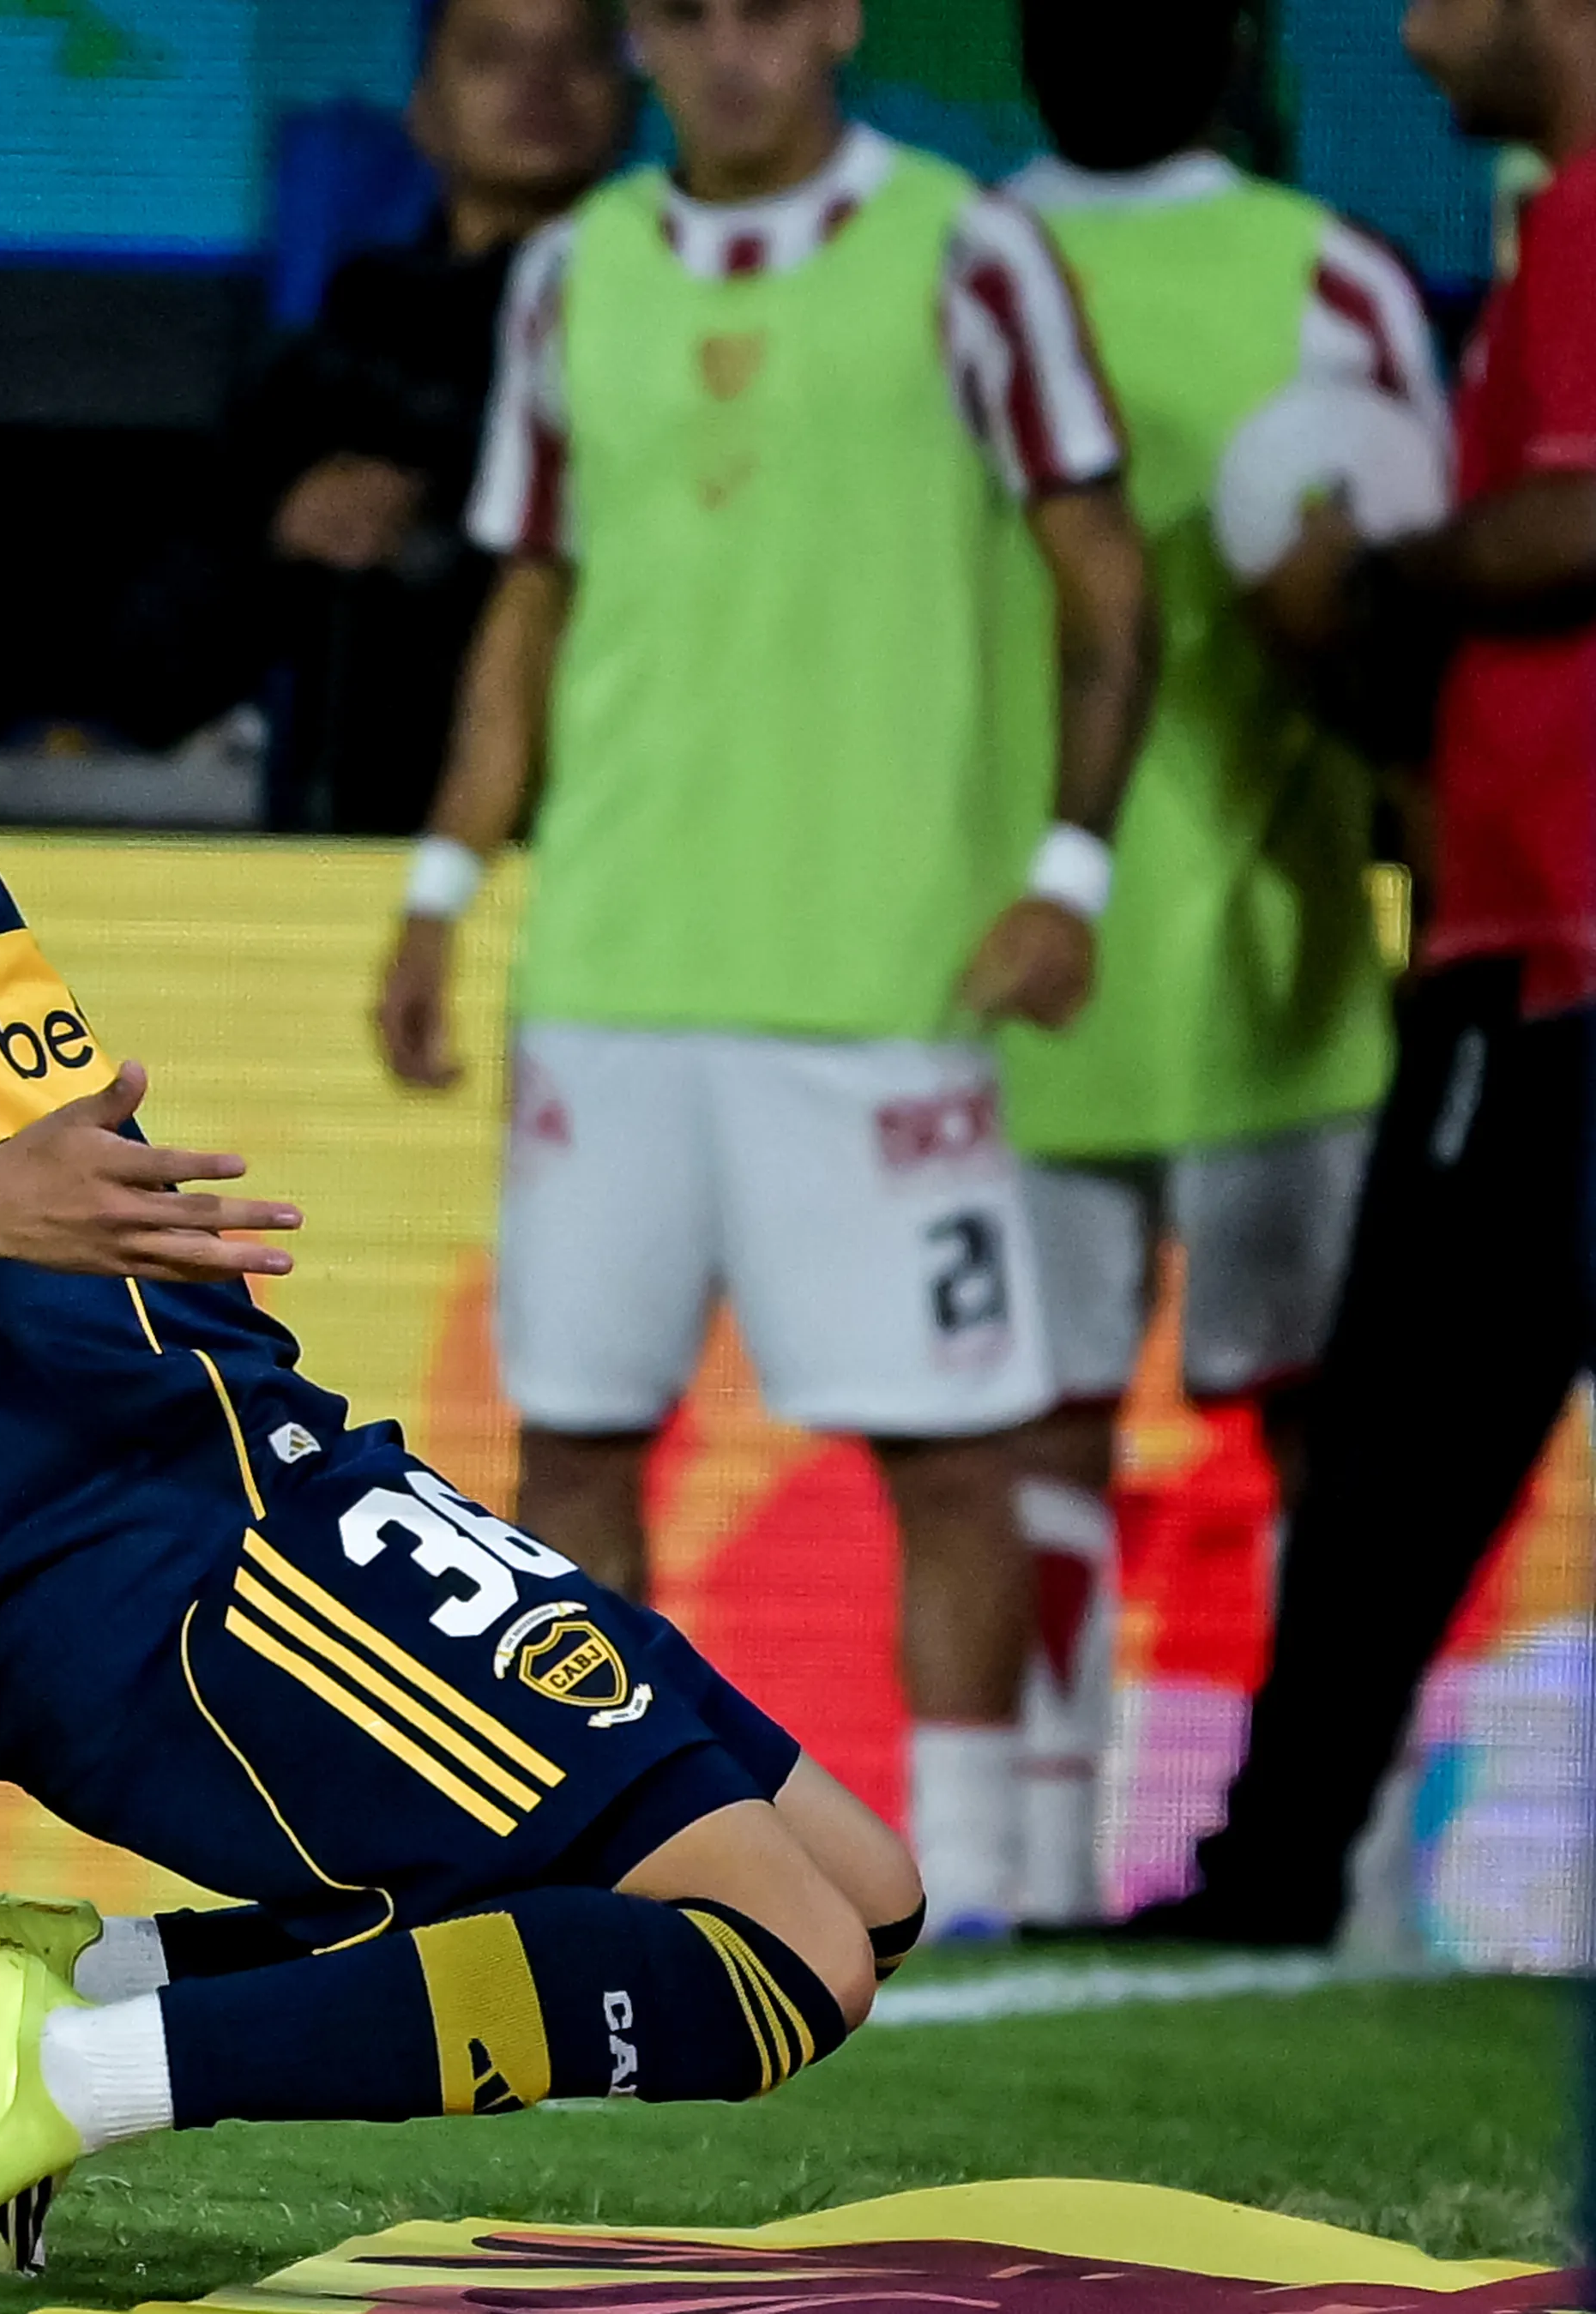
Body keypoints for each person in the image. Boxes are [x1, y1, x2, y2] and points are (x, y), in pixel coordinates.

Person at [0, 136, 925, 2299]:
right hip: (157, 1531)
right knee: (773, 1956)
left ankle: (62, 1977)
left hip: (219, 1490)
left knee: (851, 1883)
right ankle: (71, 2064)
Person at [369, 0, 1158, 1941]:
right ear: (646, 37)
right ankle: (592, 1858)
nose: (735, 51)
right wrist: (442, 879)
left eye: (771, 10)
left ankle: (962, 1889)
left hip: (874, 988)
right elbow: (530, 595)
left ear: (838, 22)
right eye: (694, 15)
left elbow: (1107, 584)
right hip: (610, 977)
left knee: (952, 1445)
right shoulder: (569, 274)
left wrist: (1065, 871)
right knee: (571, 1435)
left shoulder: (965, 252)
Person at [1124, 0, 1596, 1949]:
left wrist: (1369, 571)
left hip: (1556, 961)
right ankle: (1271, 1867)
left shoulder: (1582, 223)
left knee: (1396, 1439)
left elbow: (1575, 520)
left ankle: (1270, 1872)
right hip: (1504, 942)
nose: (1407, 33)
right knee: (1396, 1445)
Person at [988, 0, 1446, 1931]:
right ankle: (1038, 1866)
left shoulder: (1316, 275)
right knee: (1059, 1435)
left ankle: (1303, 1859)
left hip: (1242, 960)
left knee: (1272, 1424)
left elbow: (1409, 602)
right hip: (1048, 967)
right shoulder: (956, 256)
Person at [238, 0, 629, 832]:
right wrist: (284, 533)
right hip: (360, 846)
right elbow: (151, 661)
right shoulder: (340, 351)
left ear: (629, 96)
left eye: (575, 56)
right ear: (423, 108)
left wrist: (441, 515)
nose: (539, 86)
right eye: (493, 56)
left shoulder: (695, 338)